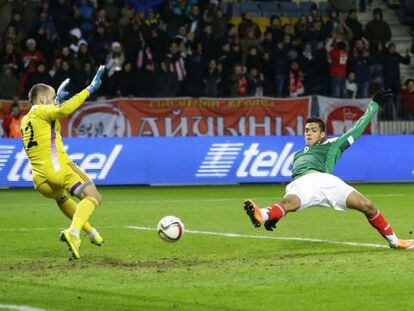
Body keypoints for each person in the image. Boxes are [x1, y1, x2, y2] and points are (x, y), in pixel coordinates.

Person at [243, 89, 414, 250]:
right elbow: (297, 183)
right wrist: (276, 215)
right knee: (289, 204)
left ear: (322, 134)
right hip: (302, 184)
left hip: (326, 182)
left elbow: (357, 128)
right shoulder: (297, 155)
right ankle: (263, 214)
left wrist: (373, 105)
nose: (308, 133)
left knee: (367, 205)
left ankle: (395, 241)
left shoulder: (333, 144)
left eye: (313, 130)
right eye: (306, 130)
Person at [20, 66, 106, 259]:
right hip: (57, 167)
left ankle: (91, 232)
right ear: (42, 99)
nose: (53, 102)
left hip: (40, 180)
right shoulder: (42, 111)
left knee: (62, 198)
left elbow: (53, 125)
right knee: (93, 196)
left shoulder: (26, 120)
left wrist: (57, 100)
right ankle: (73, 233)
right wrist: (90, 89)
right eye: (50, 98)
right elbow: (64, 110)